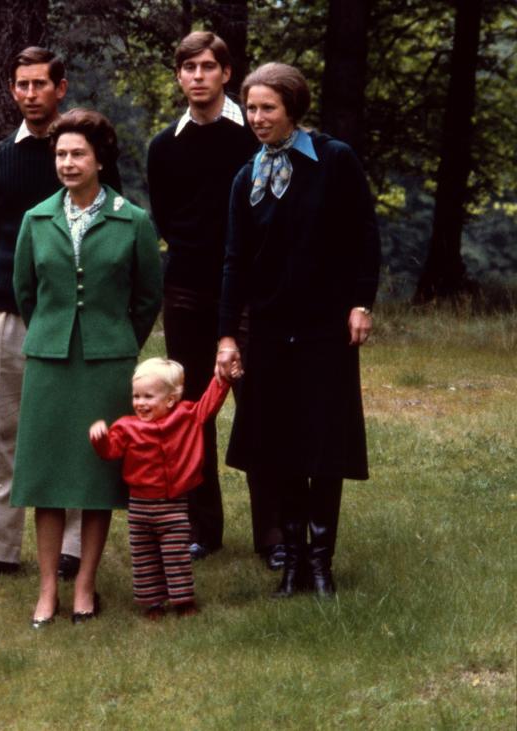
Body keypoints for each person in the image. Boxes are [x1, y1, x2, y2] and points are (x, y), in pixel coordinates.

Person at [215, 63, 380, 598]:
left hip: (324, 328)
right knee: (279, 446)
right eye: (252, 108)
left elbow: (364, 237)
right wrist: (227, 335)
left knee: (323, 445)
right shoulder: (246, 177)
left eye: (268, 108)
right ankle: (291, 562)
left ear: (292, 108)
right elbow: (235, 262)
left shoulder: (334, 160)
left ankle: (320, 561)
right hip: (268, 330)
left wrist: (360, 302)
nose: (258, 118)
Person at [0, 47, 120, 588]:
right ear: (12, 91)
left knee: (75, 430)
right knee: (4, 430)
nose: (30, 94)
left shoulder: (86, 153)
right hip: (8, 311)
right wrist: (14, 283)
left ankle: (73, 546)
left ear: (61, 89)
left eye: (39, 85)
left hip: (73, 317)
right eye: (21, 85)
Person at [12, 109, 163, 626]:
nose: (68, 163)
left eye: (78, 154)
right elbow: (26, 293)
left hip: (107, 363)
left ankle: (85, 585)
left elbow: (147, 298)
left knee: (98, 476)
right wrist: (52, 334)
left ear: (100, 159)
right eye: (60, 155)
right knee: (49, 477)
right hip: (50, 362)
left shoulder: (133, 220)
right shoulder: (35, 220)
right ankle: (47, 588)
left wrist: (117, 342)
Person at [146, 31, 282, 567]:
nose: (197, 76)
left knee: (258, 407)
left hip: (250, 293)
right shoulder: (164, 146)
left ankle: (272, 533)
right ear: (178, 76)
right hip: (186, 290)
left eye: (207, 67)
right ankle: (202, 527)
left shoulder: (254, 138)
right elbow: (166, 218)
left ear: (227, 72)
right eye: (188, 68)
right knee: (190, 410)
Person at [89, 359, 231, 619]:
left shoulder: (186, 416)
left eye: (148, 396)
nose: (140, 402)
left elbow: (208, 405)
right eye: (136, 396)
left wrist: (223, 380)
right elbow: (111, 451)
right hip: (140, 508)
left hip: (173, 505)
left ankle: (183, 601)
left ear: (170, 399)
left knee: (175, 554)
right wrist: (100, 440)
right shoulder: (126, 427)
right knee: (144, 558)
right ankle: (152, 604)